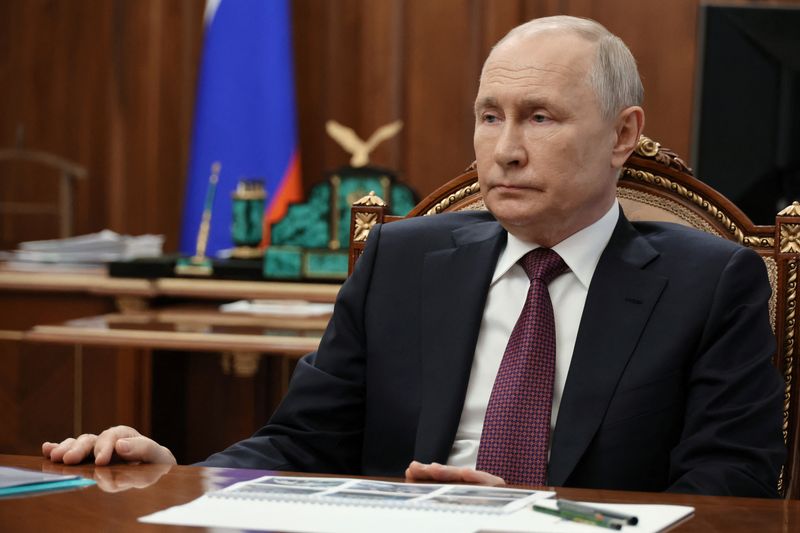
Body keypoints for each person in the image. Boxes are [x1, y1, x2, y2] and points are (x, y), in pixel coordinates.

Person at [42, 16, 786, 497]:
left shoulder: (709, 282)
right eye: (489, 116)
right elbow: (302, 441)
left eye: (539, 118)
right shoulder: (401, 261)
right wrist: (183, 475)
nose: (505, 150)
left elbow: (731, 488)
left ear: (623, 135)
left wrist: (536, 515)